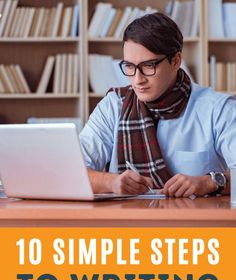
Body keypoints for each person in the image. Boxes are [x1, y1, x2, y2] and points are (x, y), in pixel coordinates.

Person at [80, 12, 236, 197]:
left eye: (148, 66)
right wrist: (111, 182)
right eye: (129, 66)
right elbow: (71, 170)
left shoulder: (218, 109)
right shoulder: (112, 106)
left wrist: (211, 181)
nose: (137, 79)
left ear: (176, 60)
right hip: (124, 223)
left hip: (194, 224)